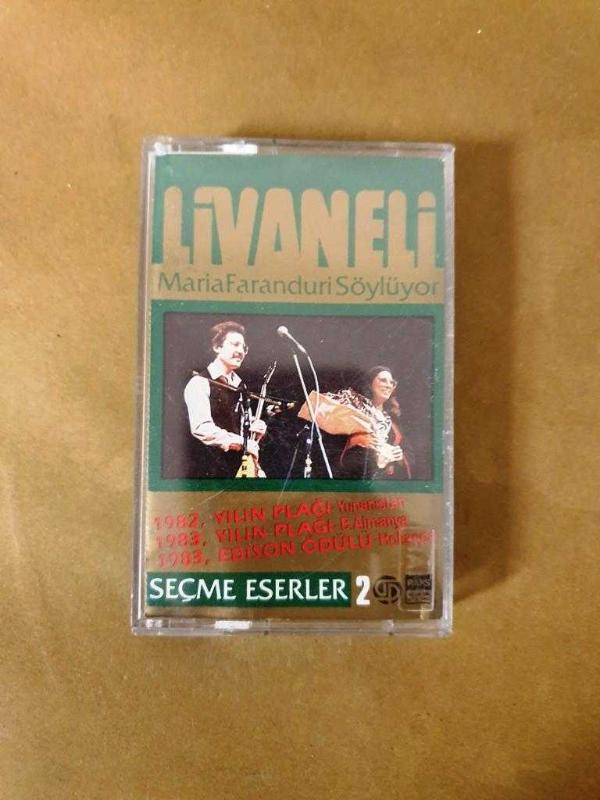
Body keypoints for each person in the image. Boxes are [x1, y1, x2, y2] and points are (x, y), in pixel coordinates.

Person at [183, 321, 266, 478]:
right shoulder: (199, 383)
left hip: (236, 472)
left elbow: (240, 431)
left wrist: (255, 432)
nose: (241, 351)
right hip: (209, 474)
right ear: (217, 347)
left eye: (244, 347)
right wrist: (244, 443)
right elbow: (202, 428)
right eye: (235, 344)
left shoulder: (241, 387)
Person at [336, 366, 412, 480]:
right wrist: (376, 460)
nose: (388, 385)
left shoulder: (394, 421)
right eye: (383, 380)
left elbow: (409, 455)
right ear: (370, 384)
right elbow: (343, 454)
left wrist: (399, 457)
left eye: (391, 382)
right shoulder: (356, 413)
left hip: (388, 483)